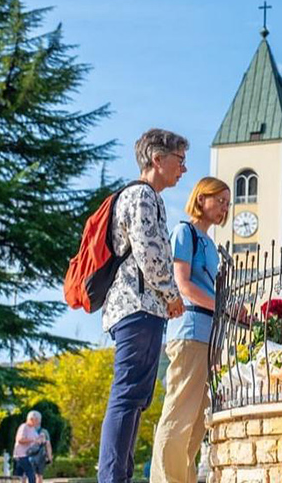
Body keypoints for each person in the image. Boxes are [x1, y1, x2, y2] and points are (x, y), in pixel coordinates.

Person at [98, 129, 189, 483]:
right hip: (138, 306)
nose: (183, 169)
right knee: (126, 395)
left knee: (134, 397)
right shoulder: (142, 196)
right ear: (157, 159)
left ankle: (118, 474)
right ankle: (112, 477)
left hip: (138, 307)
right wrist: (171, 295)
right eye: (179, 160)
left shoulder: (143, 196)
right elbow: (149, 252)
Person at [151, 177, 230, 483]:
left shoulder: (210, 244)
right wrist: (223, 307)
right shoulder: (185, 233)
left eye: (227, 202)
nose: (224, 207)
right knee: (179, 414)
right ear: (201, 199)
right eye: (219, 200)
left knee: (197, 422)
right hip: (189, 331)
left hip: (208, 335)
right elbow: (182, 286)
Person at [13, 411, 44, 483]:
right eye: (37, 421)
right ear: (32, 419)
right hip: (21, 455)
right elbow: (20, 439)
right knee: (31, 474)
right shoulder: (24, 427)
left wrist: (40, 438)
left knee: (19, 476)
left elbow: (36, 440)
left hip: (29, 455)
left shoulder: (33, 429)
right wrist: (33, 440)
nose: (38, 423)